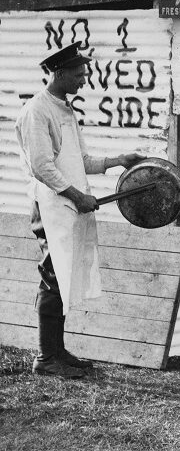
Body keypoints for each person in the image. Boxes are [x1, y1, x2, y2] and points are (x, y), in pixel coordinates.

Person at [16, 41, 144, 378]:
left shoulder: (65, 109)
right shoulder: (37, 111)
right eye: (78, 73)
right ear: (59, 73)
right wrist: (76, 196)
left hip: (69, 206)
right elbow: (41, 168)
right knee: (52, 276)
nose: (84, 79)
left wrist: (118, 161)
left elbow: (81, 160)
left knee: (64, 276)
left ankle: (57, 351)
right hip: (51, 206)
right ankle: (46, 359)